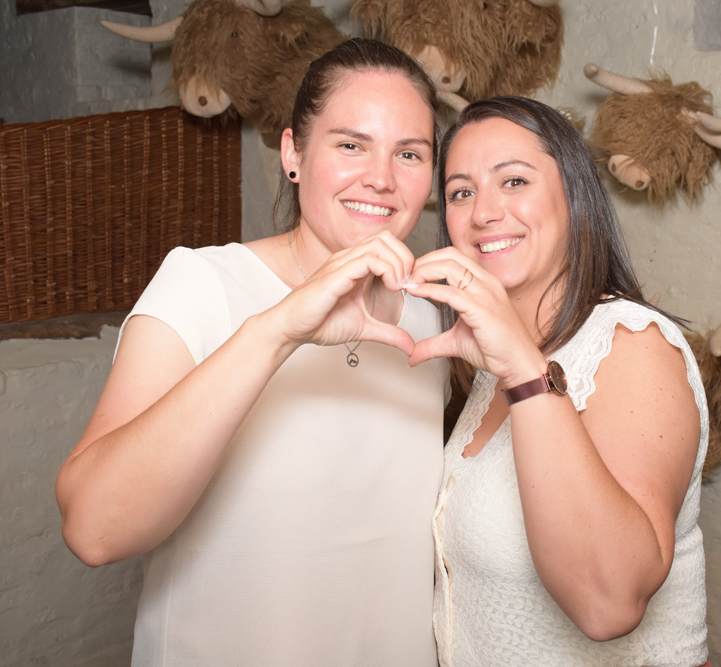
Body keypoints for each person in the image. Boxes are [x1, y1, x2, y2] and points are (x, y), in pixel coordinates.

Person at [55, 39, 448, 666]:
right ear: (293, 152)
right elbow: (95, 529)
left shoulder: (433, 321)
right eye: (350, 144)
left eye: (409, 153)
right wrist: (279, 329)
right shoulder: (203, 284)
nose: (381, 177)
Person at [403, 96, 711, 666]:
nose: (484, 213)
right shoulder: (494, 368)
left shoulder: (634, 344)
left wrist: (524, 372)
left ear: (573, 195)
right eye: (461, 191)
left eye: (513, 181)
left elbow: (609, 605)